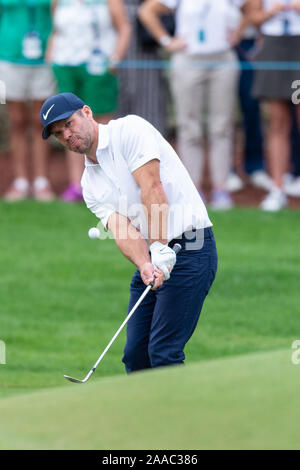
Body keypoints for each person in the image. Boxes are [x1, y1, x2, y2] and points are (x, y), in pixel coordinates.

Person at [40, 92, 218, 372]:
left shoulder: (130, 130)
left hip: (191, 248)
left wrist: (159, 248)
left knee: (163, 353)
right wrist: (145, 263)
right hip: (153, 254)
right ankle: (145, 415)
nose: (67, 135)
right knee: (135, 356)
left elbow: (152, 188)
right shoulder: (90, 184)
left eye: (69, 124)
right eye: (58, 134)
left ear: (87, 112)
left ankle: (180, 415)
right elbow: (121, 229)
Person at [138, 0, 241, 210]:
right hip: (188, 59)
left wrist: (238, 33)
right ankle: (193, 188)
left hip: (222, 60)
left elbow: (252, 8)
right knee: (189, 127)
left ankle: (221, 187)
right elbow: (147, 11)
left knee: (221, 125)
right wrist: (166, 41)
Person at [47, 0, 131, 201]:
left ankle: (110, 183)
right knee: (68, 126)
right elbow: (56, 29)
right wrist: (51, 54)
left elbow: (124, 27)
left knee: (101, 123)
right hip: (66, 64)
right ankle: (77, 185)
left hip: (98, 67)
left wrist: (116, 58)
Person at [0, 0, 56, 201]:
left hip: (44, 59)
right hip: (8, 57)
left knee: (41, 120)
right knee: (16, 120)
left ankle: (41, 180)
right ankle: (20, 180)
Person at [249, 0, 300, 211]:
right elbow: (253, 16)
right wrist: (272, 11)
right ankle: (277, 189)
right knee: (277, 123)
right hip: (274, 46)